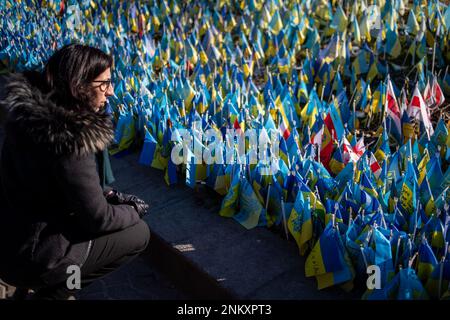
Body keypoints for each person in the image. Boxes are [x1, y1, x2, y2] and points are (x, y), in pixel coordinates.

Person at [0, 44, 150, 300]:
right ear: (78, 85)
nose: (111, 91)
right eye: (104, 83)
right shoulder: (70, 141)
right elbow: (98, 219)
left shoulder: (26, 117)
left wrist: (108, 193)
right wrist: (132, 210)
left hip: (8, 241)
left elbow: (58, 184)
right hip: (35, 256)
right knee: (138, 234)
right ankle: (57, 290)